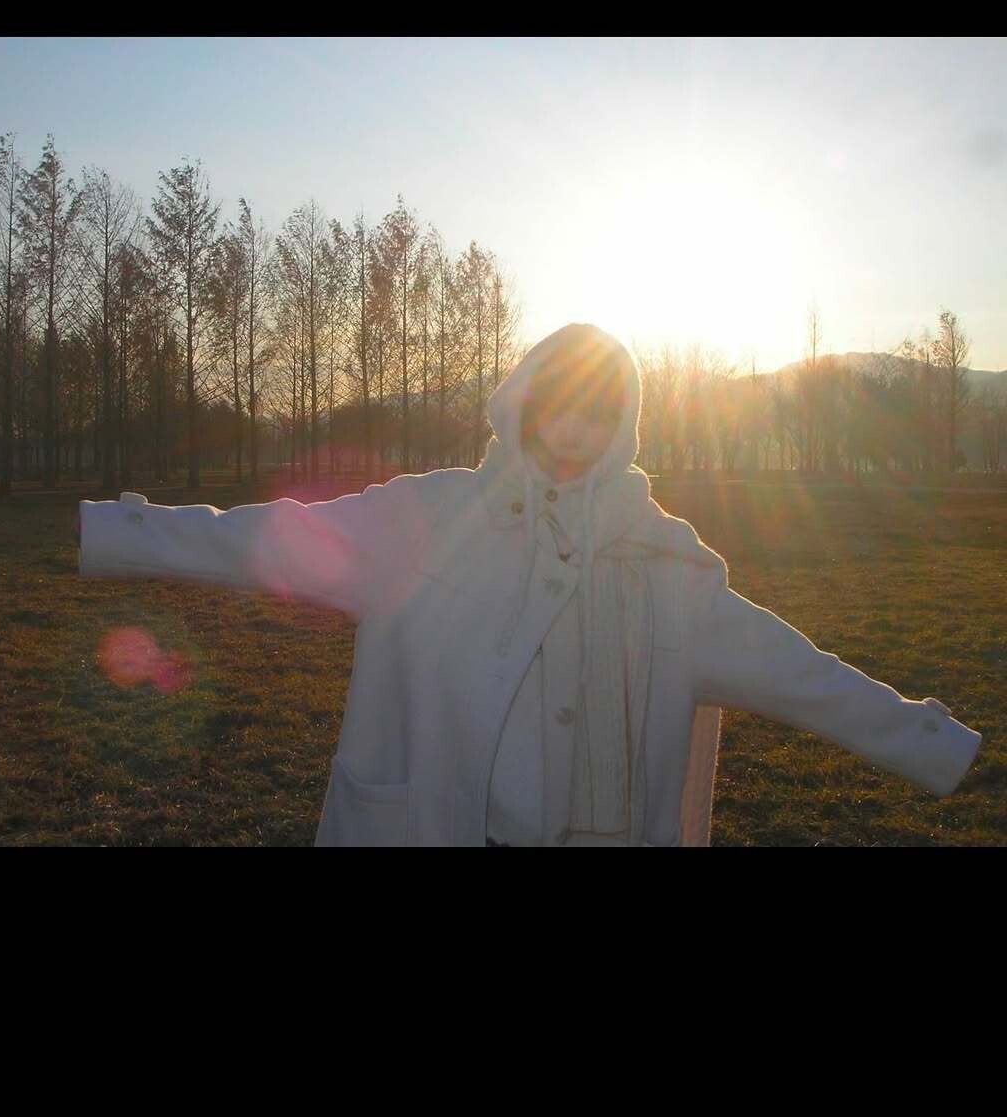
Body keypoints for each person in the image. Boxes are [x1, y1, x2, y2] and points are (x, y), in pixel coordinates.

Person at [77, 322, 982, 846]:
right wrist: (122, 530)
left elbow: (799, 673)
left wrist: (926, 740)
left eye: (598, 411)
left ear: (623, 424)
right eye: (559, 406)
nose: (574, 430)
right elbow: (274, 539)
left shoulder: (661, 563)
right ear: (524, 405)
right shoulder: (427, 517)